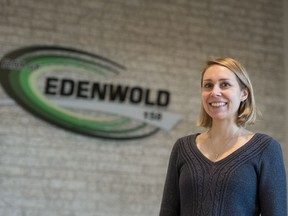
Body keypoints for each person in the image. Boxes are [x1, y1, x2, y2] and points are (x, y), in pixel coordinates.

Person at [159, 57, 287, 216]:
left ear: (244, 94)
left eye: (225, 84)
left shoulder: (266, 148)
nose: (214, 92)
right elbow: (167, 212)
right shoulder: (182, 147)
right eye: (208, 85)